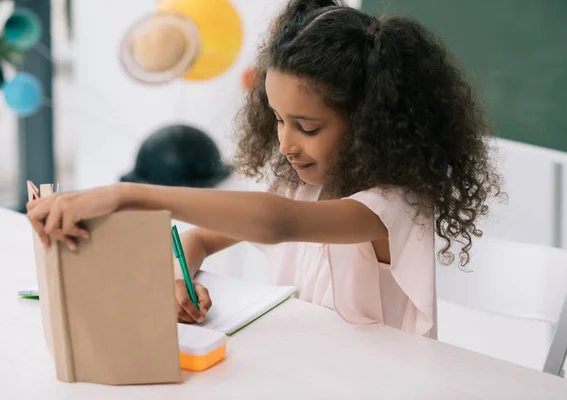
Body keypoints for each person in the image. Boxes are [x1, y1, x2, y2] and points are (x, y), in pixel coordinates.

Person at [26, 0, 502, 338]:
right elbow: (200, 237)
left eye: (308, 127)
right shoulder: (300, 184)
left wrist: (130, 194)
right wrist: (180, 275)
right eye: (277, 119)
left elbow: (277, 223)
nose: (286, 143)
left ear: (371, 124)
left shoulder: (394, 204)